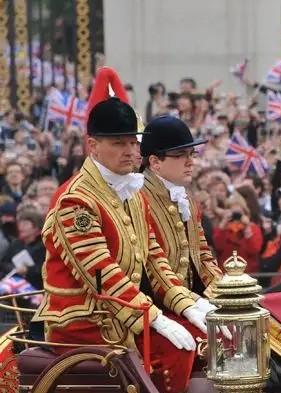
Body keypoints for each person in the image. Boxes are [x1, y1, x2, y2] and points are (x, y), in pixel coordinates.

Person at [32, 68, 209, 393]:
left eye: (134, 142)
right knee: (176, 350)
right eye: (119, 143)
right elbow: (101, 273)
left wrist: (188, 304)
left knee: (205, 338)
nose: (131, 151)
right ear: (93, 146)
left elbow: (154, 258)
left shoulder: (130, 189)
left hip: (122, 312)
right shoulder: (76, 199)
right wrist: (155, 317)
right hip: (84, 321)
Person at [140, 115, 223, 302]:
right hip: (156, 307)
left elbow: (202, 255)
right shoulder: (137, 199)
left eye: (191, 154)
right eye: (180, 155)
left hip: (189, 302)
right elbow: (149, 266)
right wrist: (190, 304)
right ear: (155, 162)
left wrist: (225, 294)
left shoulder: (186, 199)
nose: (190, 161)